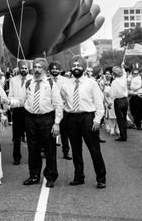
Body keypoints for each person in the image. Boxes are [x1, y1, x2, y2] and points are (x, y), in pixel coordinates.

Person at [61, 56, 106, 188]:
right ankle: (79, 176)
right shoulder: (66, 84)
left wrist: (97, 119)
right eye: (74, 65)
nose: (76, 68)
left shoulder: (91, 83)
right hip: (71, 118)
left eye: (79, 65)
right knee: (76, 150)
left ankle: (101, 178)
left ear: (84, 68)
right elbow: (63, 100)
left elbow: (99, 103)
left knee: (94, 149)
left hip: (88, 118)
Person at [21, 59, 63, 188]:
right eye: (35, 67)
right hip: (31, 119)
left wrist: (56, 123)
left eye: (40, 67)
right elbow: (21, 100)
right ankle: (34, 175)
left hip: (47, 119)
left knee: (49, 149)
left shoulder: (50, 83)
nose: (37, 70)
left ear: (45, 69)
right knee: (33, 148)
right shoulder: (28, 82)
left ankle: (51, 176)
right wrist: (9, 102)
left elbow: (58, 104)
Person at [7, 60, 30, 165]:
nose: (24, 70)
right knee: (17, 136)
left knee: (31, 135)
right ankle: (16, 157)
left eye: (25, 68)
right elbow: (10, 95)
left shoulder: (32, 79)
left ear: (28, 69)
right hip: (17, 110)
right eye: (22, 68)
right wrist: (11, 102)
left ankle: (33, 156)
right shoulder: (13, 80)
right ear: (19, 69)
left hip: (30, 110)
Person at [48, 61, 71, 160]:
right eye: (52, 68)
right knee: (49, 132)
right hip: (50, 110)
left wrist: (66, 105)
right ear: (50, 70)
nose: (54, 70)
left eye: (56, 68)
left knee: (65, 132)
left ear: (60, 70)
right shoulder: (46, 80)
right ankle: (47, 152)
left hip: (62, 109)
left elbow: (69, 94)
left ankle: (66, 152)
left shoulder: (65, 80)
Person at [109, 66, 129, 141]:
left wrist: (110, 103)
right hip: (125, 100)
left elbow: (112, 94)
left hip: (118, 100)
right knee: (124, 118)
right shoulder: (123, 80)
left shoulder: (114, 82)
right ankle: (124, 134)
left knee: (120, 119)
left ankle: (123, 136)